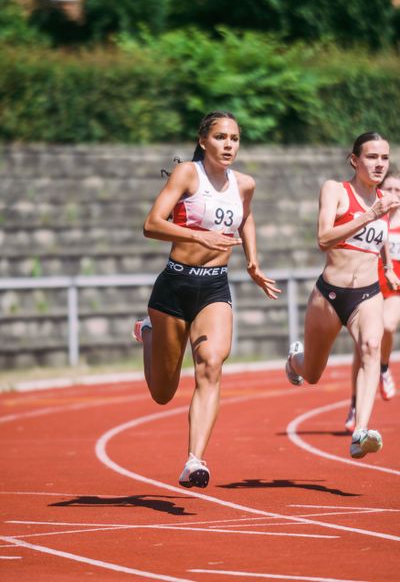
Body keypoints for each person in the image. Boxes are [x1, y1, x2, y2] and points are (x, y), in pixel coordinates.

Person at [133, 111, 281, 488]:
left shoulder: (244, 183)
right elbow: (151, 224)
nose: (228, 145)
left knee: (211, 364)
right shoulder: (187, 174)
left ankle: (194, 460)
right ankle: (149, 332)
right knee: (163, 393)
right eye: (220, 137)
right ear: (203, 141)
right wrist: (199, 237)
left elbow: (244, 216)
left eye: (234, 138)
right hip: (175, 285)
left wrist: (252, 261)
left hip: (215, 286)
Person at [285, 132, 400, 459]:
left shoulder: (384, 201)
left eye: (385, 158)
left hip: (367, 294)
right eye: (372, 157)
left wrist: (388, 265)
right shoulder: (336, 190)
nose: (379, 164)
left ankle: (360, 431)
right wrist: (369, 215)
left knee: (371, 348)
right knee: (313, 373)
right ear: (354, 160)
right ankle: (295, 359)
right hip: (330, 294)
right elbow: (323, 239)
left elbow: (379, 239)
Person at [345, 171, 400, 432]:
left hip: (395, 291)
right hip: (367, 288)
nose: (394, 194)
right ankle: (356, 404)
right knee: (362, 347)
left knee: (387, 326)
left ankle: (384, 367)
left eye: (399, 190)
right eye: (389, 188)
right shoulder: (374, 217)